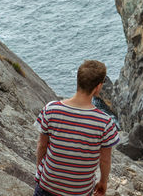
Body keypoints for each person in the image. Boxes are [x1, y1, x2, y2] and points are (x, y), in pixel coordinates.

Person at [33, 60, 120, 196]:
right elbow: (105, 160)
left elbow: (42, 145)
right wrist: (103, 181)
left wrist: (39, 168)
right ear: (98, 87)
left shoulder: (51, 109)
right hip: (79, 191)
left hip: (47, 185)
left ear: (78, 80)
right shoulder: (105, 122)